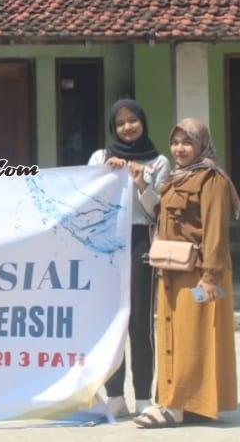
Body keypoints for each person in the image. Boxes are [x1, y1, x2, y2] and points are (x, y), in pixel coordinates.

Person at [134, 118, 240, 428]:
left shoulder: (212, 180)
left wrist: (211, 278)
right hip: (172, 273)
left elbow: (216, 231)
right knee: (174, 336)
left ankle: (175, 406)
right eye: (176, 142)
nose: (180, 148)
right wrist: (142, 185)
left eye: (187, 142)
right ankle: (187, 403)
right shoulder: (178, 178)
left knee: (194, 337)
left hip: (200, 276)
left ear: (202, 144)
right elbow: (160, 213)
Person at [87, 99, 170, 418]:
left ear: (143, 122)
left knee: (139, 322)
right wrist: (106, 176)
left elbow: (157, 211)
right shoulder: (100, 157)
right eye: (120, 123)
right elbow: (89, 199)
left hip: (140, 242)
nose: (127, 127)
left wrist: (140, 182)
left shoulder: (159, 161)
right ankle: (115, 395)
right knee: (112, 321)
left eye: (133, 120)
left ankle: (145, 396)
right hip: (108, 243)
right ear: (113, 127)